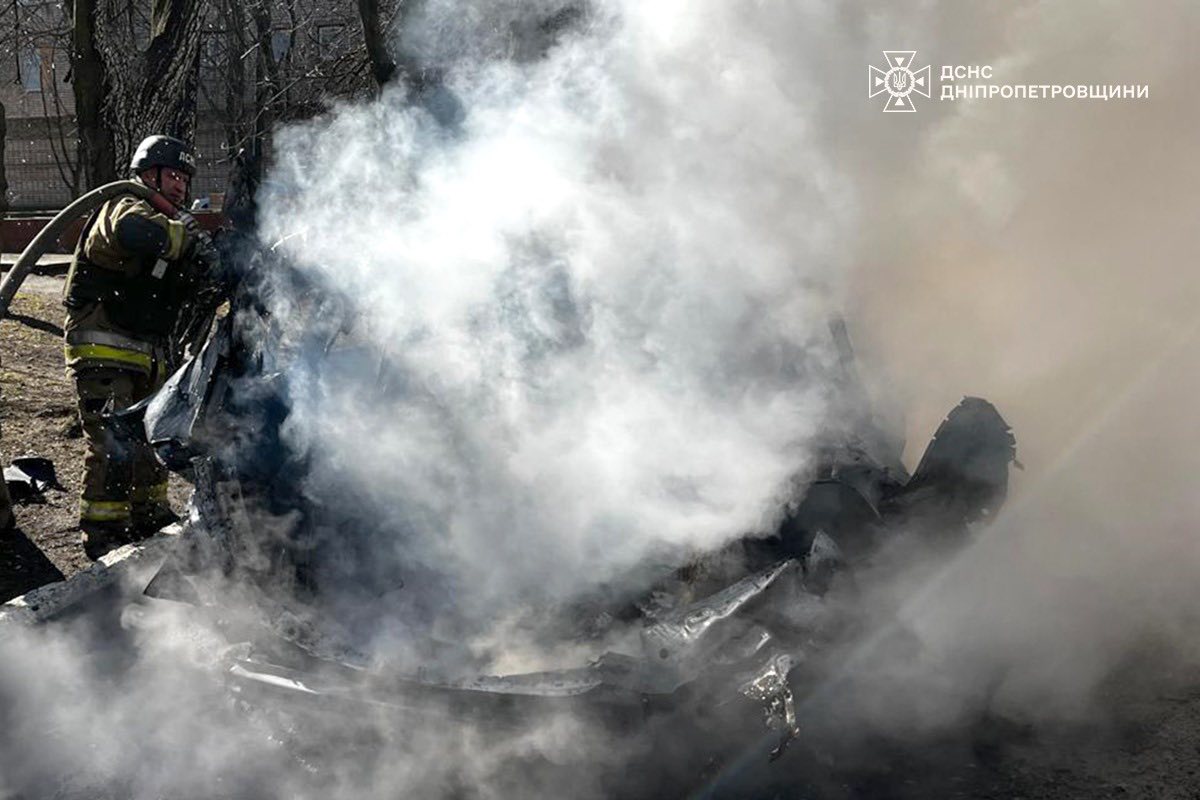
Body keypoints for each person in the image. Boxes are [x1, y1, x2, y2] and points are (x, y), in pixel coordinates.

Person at [62, 135, 218, 559]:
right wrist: (186, 237)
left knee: (149, 437)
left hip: (145, 351)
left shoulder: (168, 221)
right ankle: (104, 530)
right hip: (105, 345)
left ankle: (149, 513)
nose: (181, 186)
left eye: (185, 178)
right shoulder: (127, 205)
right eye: (173, 175)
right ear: (148, 174)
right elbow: (134, 234)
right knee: (112, 442)